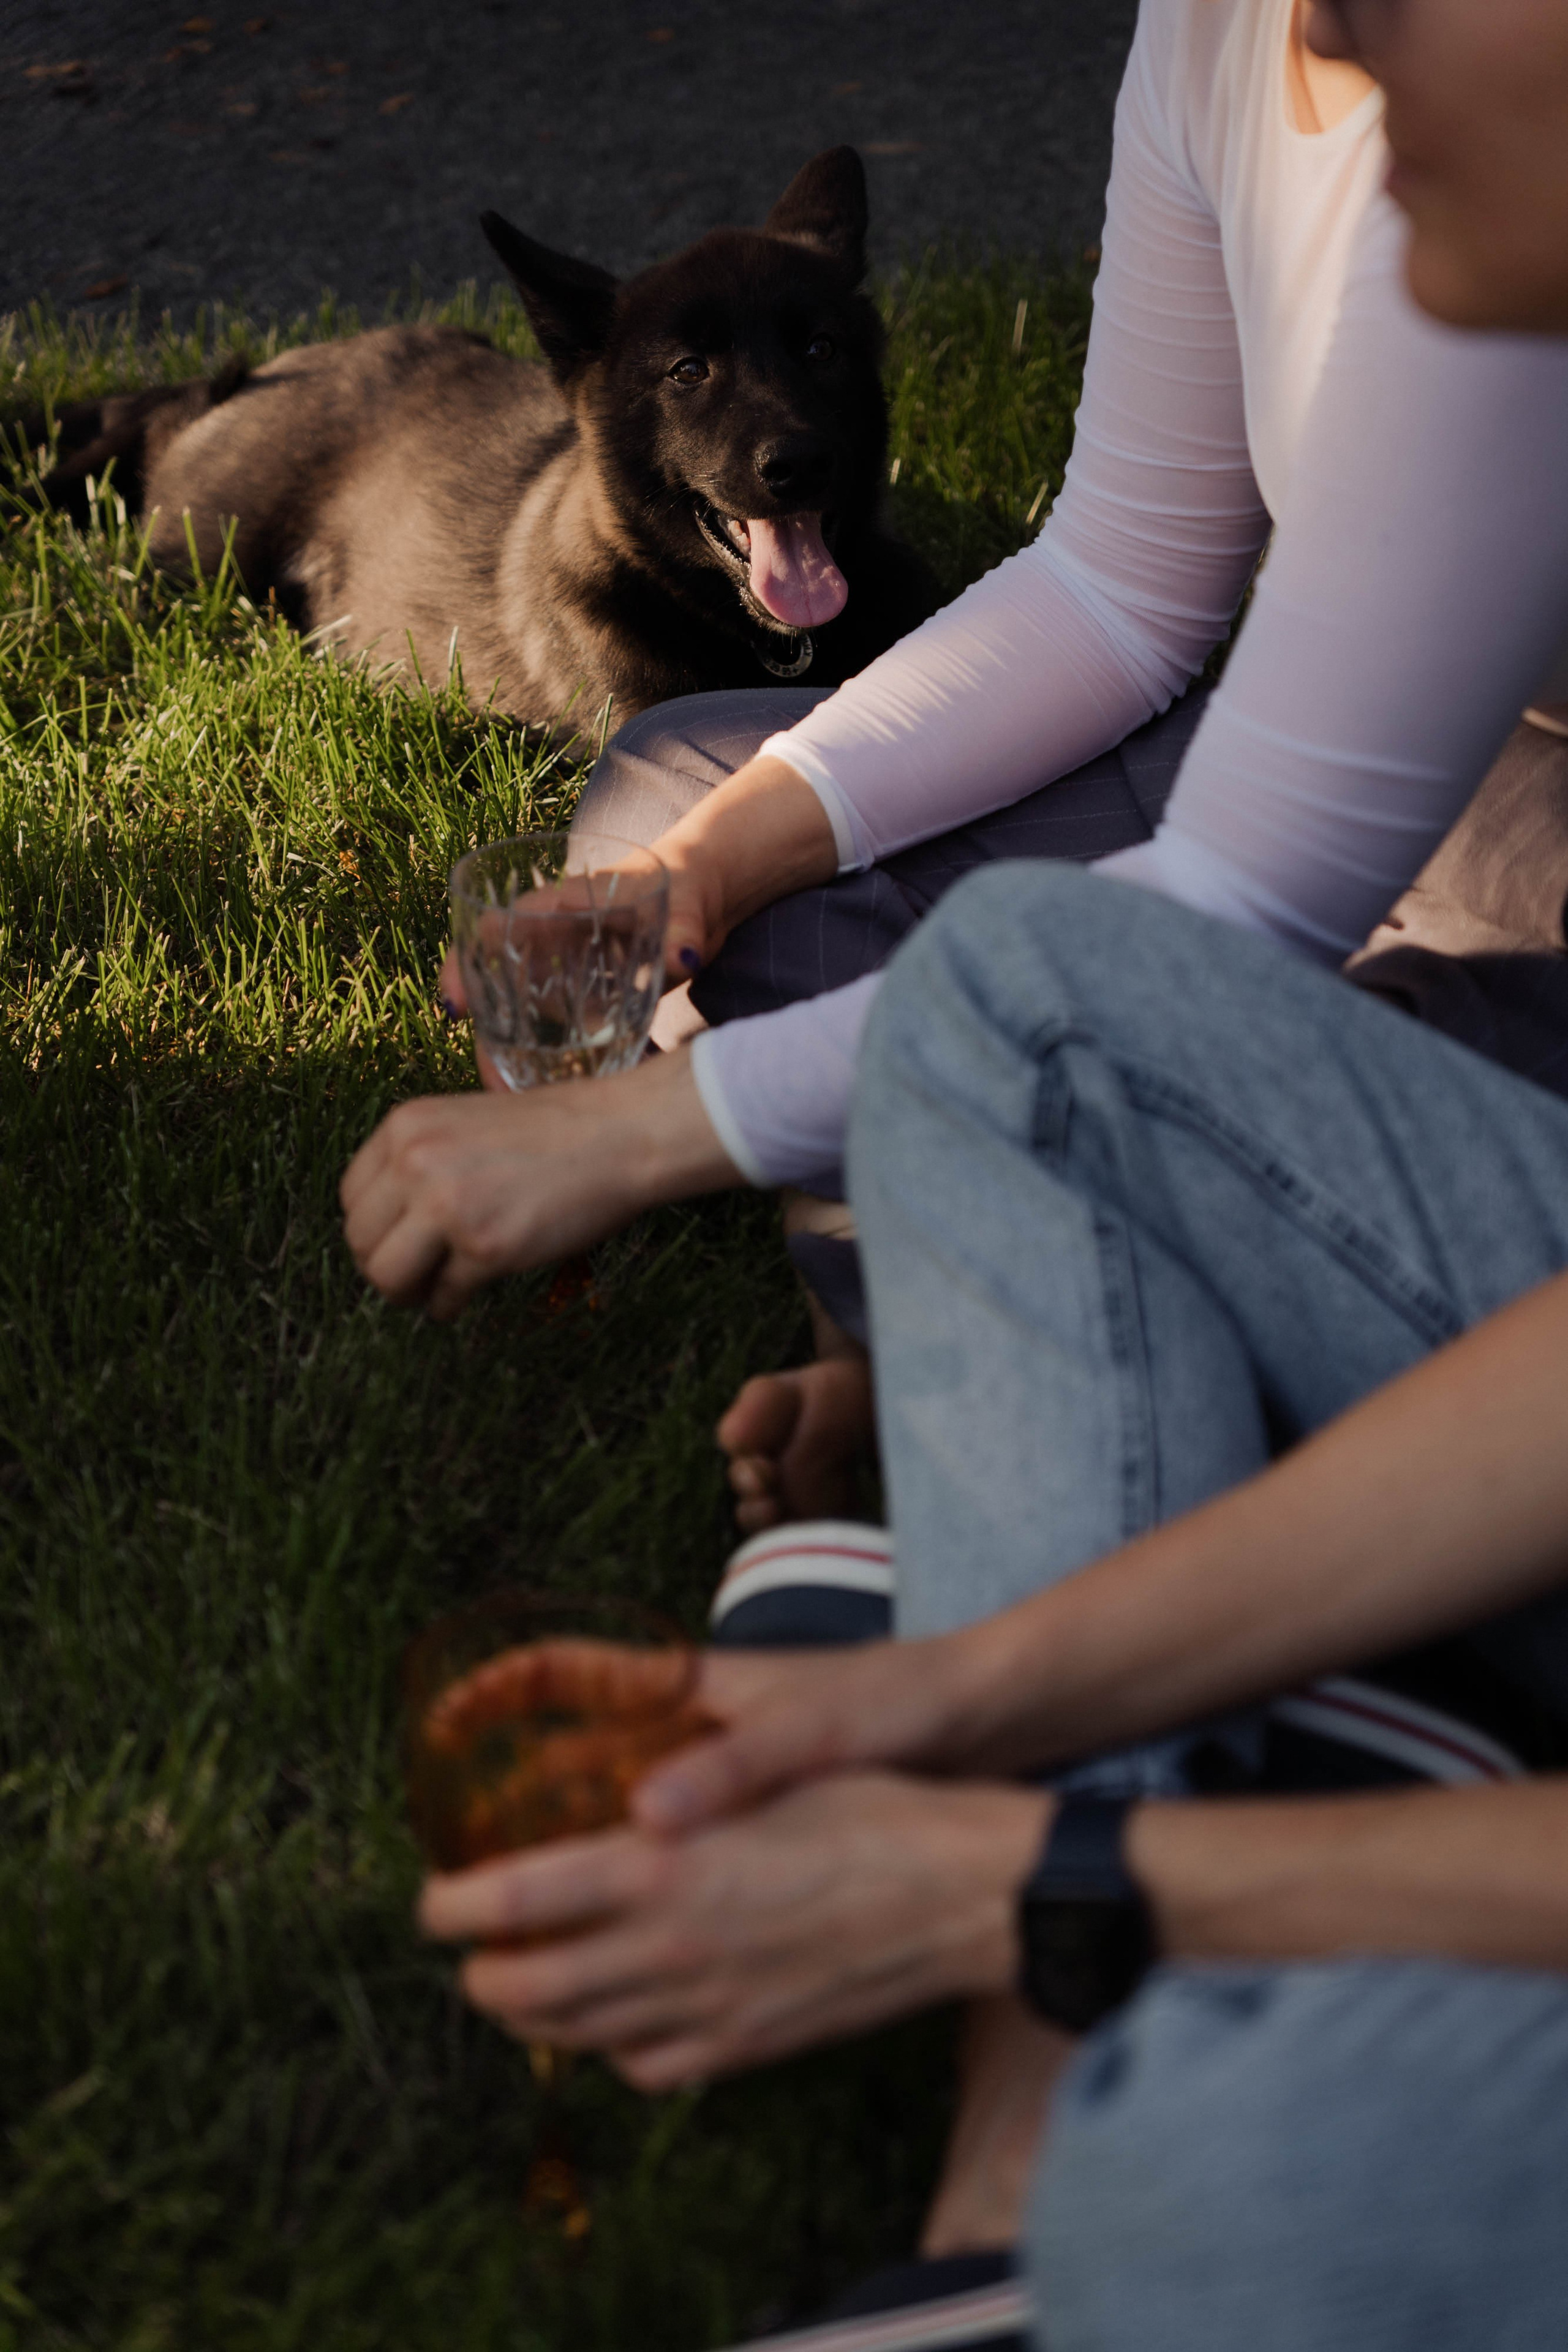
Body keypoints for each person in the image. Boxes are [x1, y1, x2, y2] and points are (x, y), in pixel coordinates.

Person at [409, 1, 1568, 2345]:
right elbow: (1138, 583)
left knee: (1207, 2185)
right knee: (774, 849)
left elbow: (1253, 867)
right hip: (1340, 840)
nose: (1329, 26)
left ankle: (1071, 1439)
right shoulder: (1273, 48)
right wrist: (926, 1721)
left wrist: (1021, 1867)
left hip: (1471, 852)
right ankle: (1091, 1430)